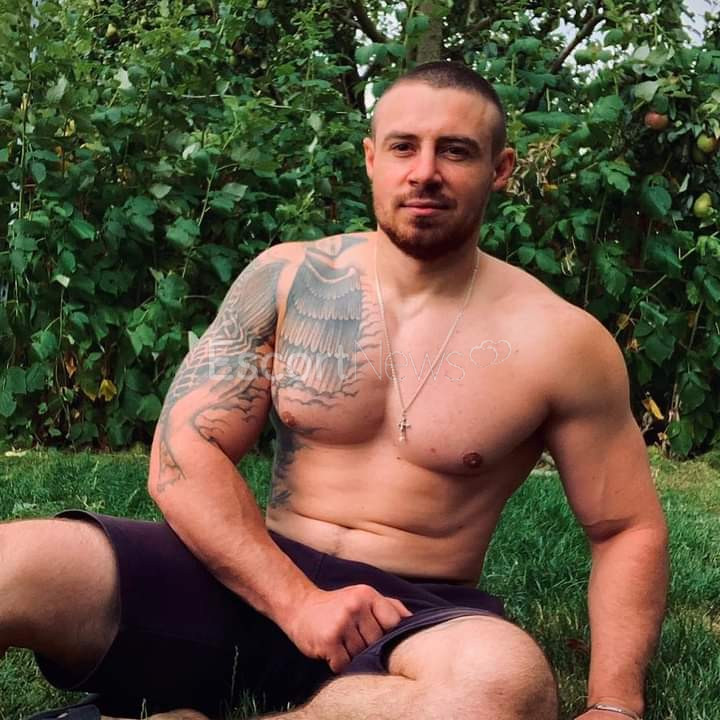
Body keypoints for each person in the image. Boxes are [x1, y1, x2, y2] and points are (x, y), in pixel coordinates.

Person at [0, 61, 667, 720]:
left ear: (501, 169)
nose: (424, 171)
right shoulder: (289, 278)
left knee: (502, 688)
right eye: (403, 147)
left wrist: (614, 704)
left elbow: (625, 529)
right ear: (371, 159)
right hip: (249, 572)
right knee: (14, 561)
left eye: (455, 150)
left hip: (413, 614)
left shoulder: (560, 340)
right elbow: (184, 453)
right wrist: (297, 601)